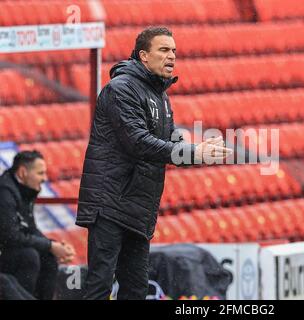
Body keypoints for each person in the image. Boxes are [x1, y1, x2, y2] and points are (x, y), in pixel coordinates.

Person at [76, 26, 232, 300]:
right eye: (164, 50)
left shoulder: (160, 94)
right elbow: (137, 141)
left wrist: (198, 153)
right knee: (100, 285)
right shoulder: (120, 89)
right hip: (110, 203)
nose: (171, 55)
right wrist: (193, 152)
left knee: (136, 288)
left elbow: (171, 142)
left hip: (138, 207)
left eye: (174, 51)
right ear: (144, 56)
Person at [0, 151, 75, 299]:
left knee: (48, 256)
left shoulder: (24, 189)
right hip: (5, 252)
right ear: (23, 172)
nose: (44, 178)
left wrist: (54, 246)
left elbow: (30, 228)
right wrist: (49, 245)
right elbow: (11, 236)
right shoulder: (5, 193)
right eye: (40, 173)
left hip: (10, 249)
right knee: (29, 255)